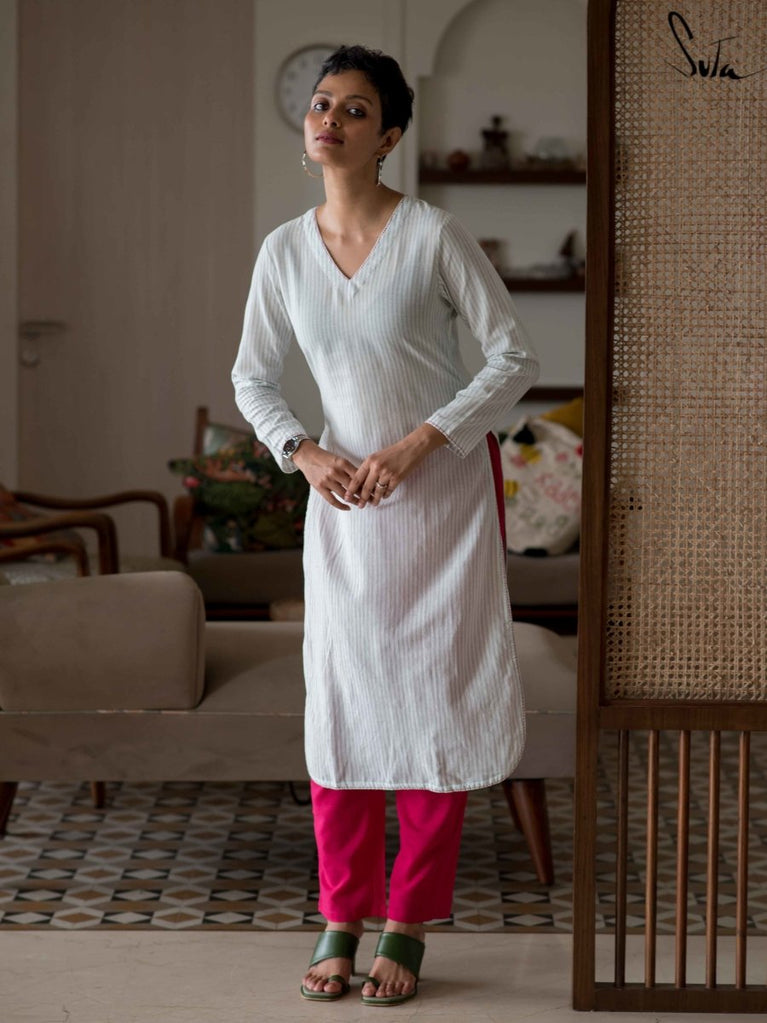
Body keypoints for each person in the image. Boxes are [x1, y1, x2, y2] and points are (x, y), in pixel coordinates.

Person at [232, 44, 539, 1006]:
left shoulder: (434, 236)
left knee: (435, 699)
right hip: (342, 510)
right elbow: (251, 378)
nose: (329, 119)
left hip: (441, 501)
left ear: (390, 136)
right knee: (344, 700)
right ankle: (341, 914)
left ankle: (407, 919)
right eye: (321, 104)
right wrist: (304, 452)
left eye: (354, 109)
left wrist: (418, 443)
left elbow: (512, 357)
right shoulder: (283, 252)